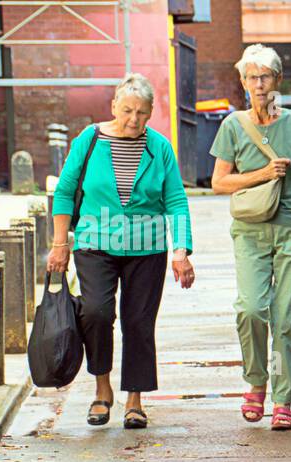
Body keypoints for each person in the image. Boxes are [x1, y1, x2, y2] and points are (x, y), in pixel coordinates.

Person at [49, 73, 195, 430]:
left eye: (142, 113)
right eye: (127, 110)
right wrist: (59, 244)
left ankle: (135, 399)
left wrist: (181, 249)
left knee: (139, 323)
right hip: (95, 242)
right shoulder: (90, 139)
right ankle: (102, 388)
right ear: (114, 106)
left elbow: (176, 199)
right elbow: (65, 192)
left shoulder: (158, 147)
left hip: (146, 247)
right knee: (96, 312)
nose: (133, 119)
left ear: (150, 113)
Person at [210, 44, 291, 431]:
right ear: (243, 82)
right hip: (251, 229)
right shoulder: (233, 125)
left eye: (265, 76)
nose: (259, 84)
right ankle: (255, 381)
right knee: (250, 309)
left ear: (278, 81)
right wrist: (261, 175)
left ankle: (283, 398)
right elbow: (219, 182)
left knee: (286, 318)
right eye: (252, 77)